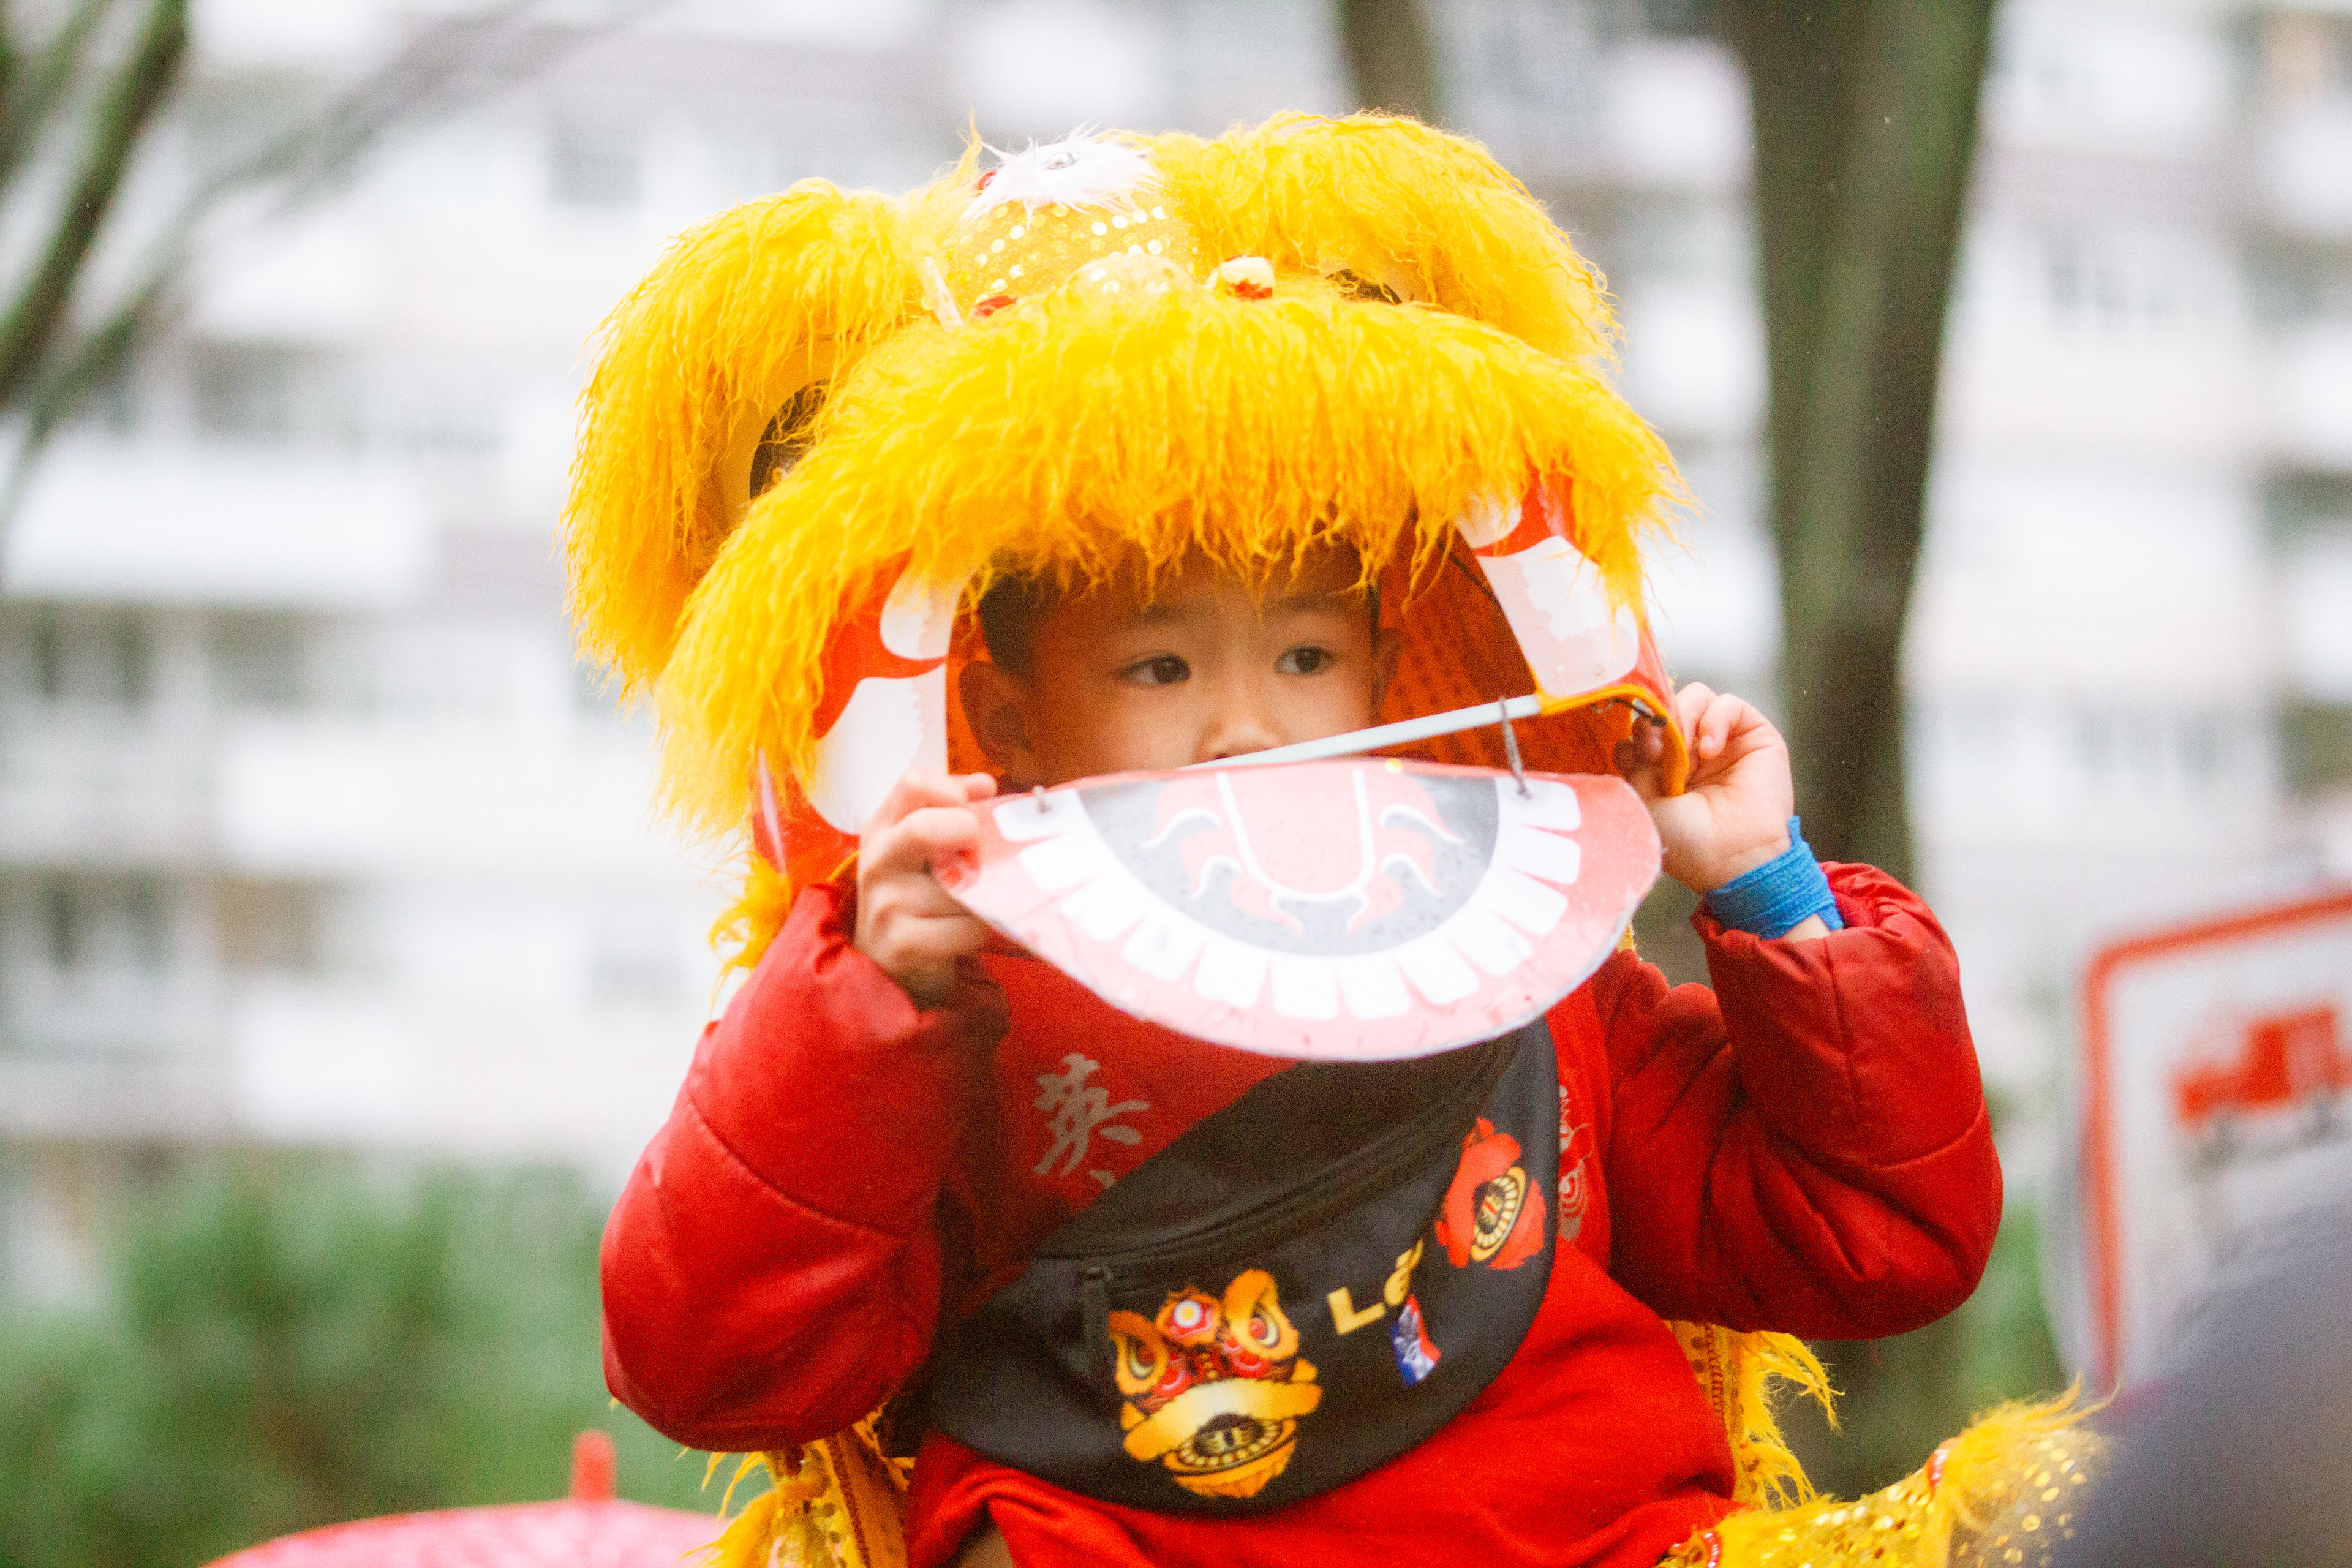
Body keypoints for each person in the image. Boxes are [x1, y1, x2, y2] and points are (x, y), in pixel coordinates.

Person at [575, 116, 2019, 1568]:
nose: (1246, 726)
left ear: (1388, 671)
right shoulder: (946, 1006)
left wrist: (1770, 887)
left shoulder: (1528, 944)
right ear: (1007, 716)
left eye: (1307, 656)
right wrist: (860, 1005)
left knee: (2049, 1505)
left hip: (1607, 1545)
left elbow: (1878, 1233)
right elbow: (712, 1364)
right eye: (1160, 668)